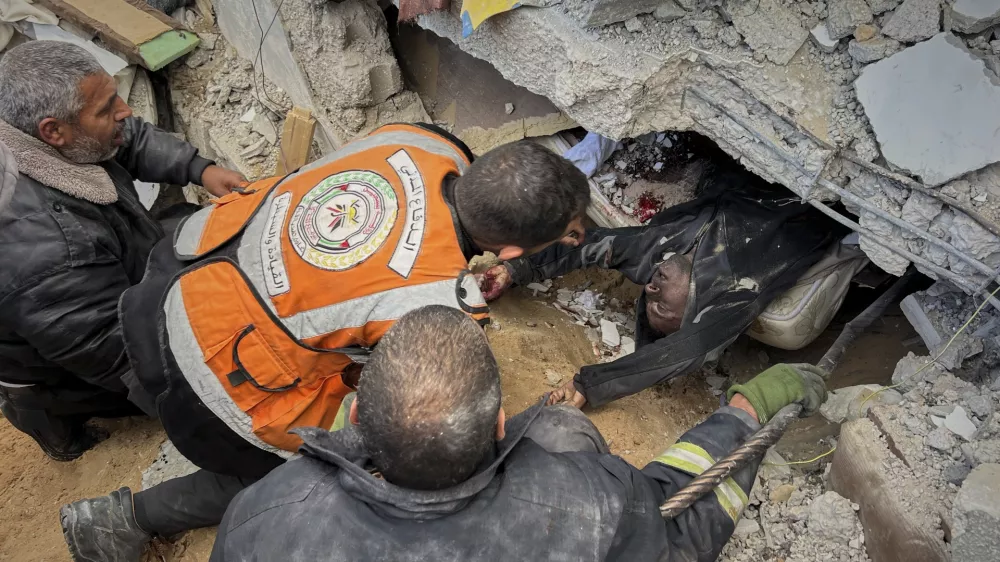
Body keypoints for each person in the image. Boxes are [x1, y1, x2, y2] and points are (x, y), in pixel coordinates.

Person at [60, 126, 591, 561]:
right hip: (198, 359)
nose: (573, 237)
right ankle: (121, 520)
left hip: (182, 260)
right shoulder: (444, 308)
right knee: (333, 450)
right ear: (513, 250)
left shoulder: (427, 142)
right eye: (566, 232)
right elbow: (398, 410)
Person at [208, 305, 827, 562]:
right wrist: (747, 411)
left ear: (354, 419)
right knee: (562, 429)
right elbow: (679, 529)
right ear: (501, 423)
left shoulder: (261, 516)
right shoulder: (587, 506)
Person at [0, 41, 244, 461]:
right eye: (105, 108)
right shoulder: (44, 249)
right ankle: (47, 422)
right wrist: (216, 406)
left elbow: (123, 138)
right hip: (65, 357)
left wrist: (200, 169)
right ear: (52, 131)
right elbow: (118, 353)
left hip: (99, 265)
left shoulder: (47, 131)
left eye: (115, 97)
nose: (124, 111)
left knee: (194, 232)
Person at [481, 157, 851, 409]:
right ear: (697, 314)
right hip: (806, 194)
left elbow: (586, 248)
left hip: (748, 173)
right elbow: (683, 351)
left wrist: (517, 270)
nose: (652, 288)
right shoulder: (734, 294)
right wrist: (589, 387)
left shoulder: (656, 257)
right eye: (661, 306)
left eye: (649, 297)